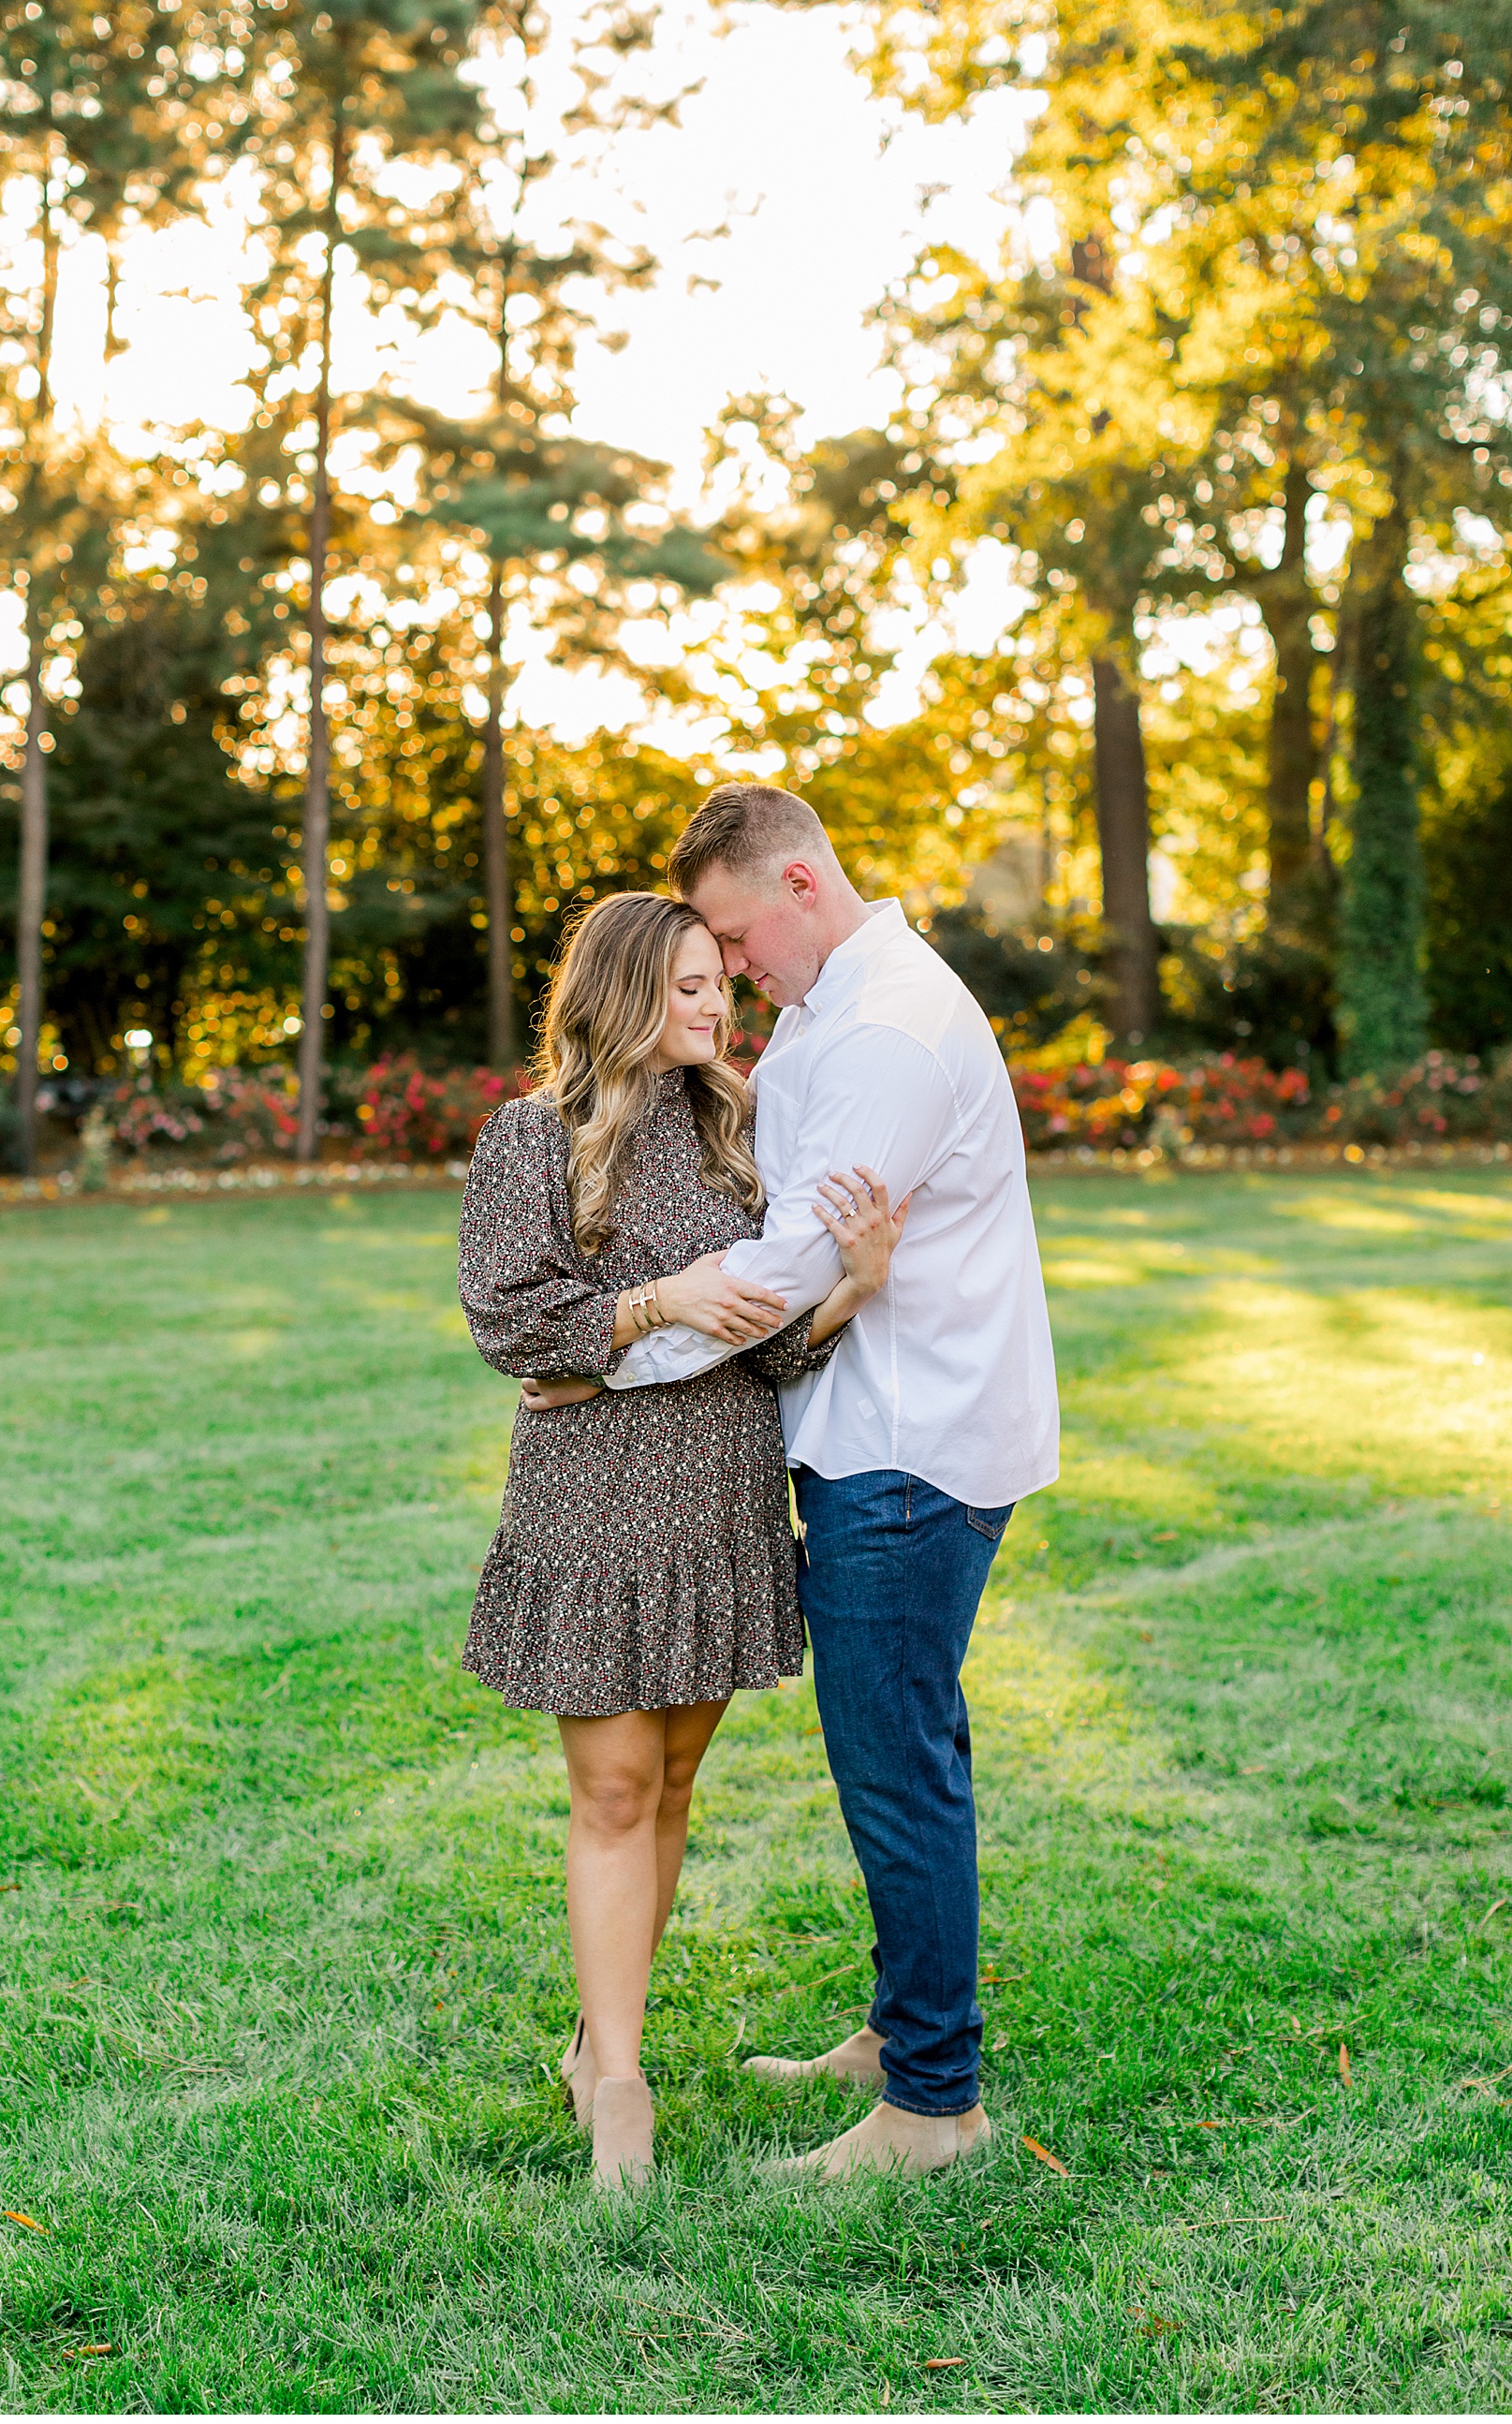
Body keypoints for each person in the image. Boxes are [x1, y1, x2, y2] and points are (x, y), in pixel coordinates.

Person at [525, 786, 1059, 2181]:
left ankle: (933, 2105)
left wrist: (605, 1355)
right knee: (899, 1752)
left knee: (898, 1770)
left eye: (735, 934)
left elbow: (778, 1277)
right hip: (871, 1427)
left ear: (804, 882)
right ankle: (903, 2032)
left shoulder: (883, 1025)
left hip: (908, 1447)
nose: (731, 967)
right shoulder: (833, 1007)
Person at [455, 890, 905, 2190]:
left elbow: (762, 1345)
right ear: (623, 987)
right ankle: (623, 2092)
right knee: (610, 1788)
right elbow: (514, 1325)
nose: (718, 1006)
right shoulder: (528, 1140)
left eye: (723, 983)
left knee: (673, 1783)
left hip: (717, 1494)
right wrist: (658, 1301)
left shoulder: (742, 1137)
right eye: (693, 984)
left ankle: (605, 2040)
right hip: (591, 1504)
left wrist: (852, 1290)